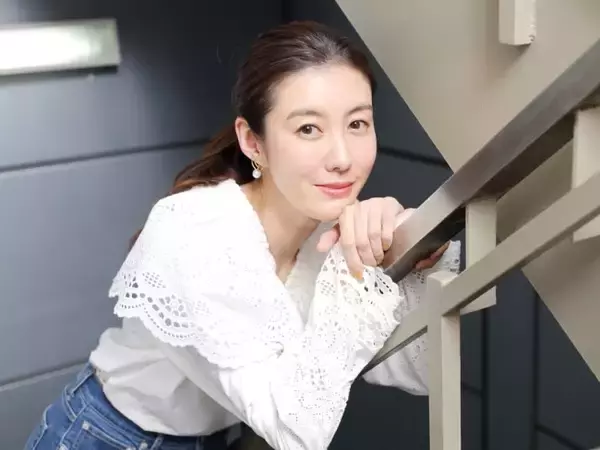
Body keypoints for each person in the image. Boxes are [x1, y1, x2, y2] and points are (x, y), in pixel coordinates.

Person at [24, 20, 460, 450]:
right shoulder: (197, 231)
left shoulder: (329, 232)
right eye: (308, 128)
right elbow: (295, 432)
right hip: (104, 438)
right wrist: (355, 279)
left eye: (358, 124)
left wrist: (414, 248)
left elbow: (417, 371)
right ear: (253, 142)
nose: (342, 157)